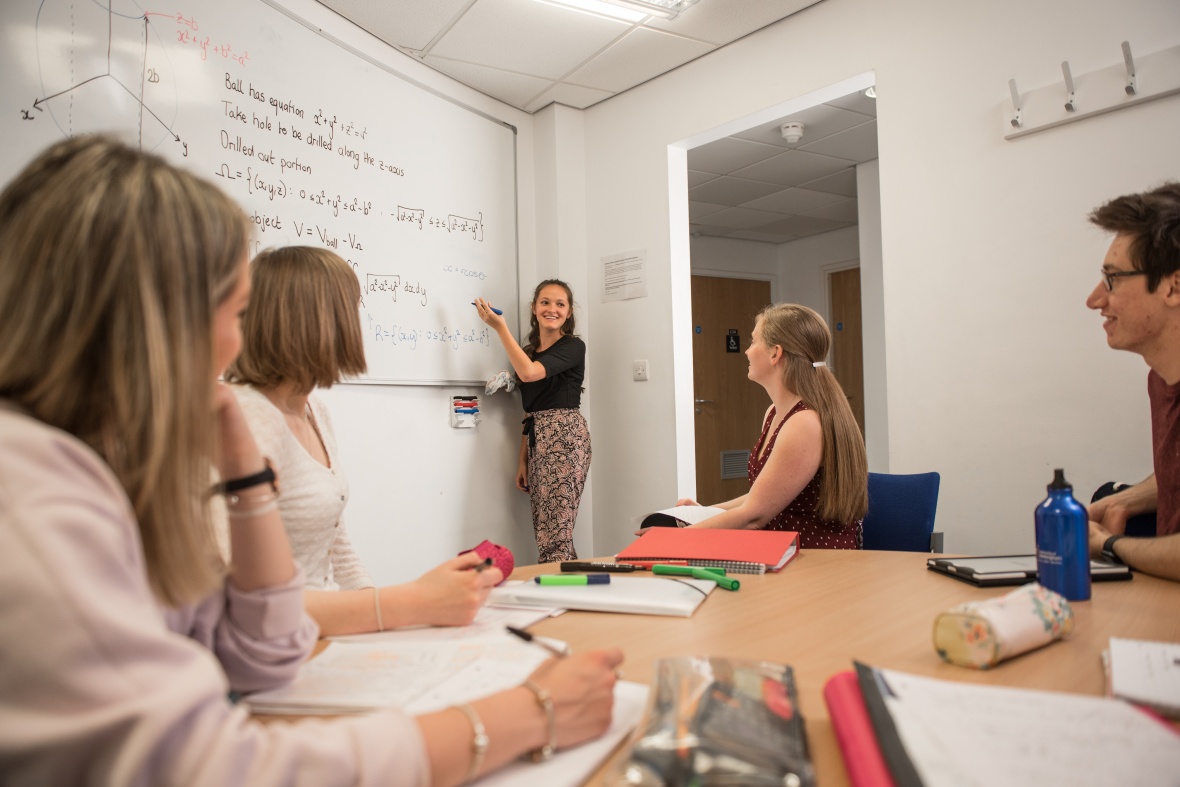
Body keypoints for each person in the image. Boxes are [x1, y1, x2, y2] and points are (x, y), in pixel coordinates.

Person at [0, 136, 621, 785]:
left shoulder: (107, 460)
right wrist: (525, 713)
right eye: (232, 311)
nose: (235, 341)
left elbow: (255, 644)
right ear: (143, 313)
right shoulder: (33, 498)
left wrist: (247, 478)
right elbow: (212, 766)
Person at [224, 246, 502, 637]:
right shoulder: (247, 418)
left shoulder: (314, 410)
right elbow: (234, 602)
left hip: (319, 634)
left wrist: (388, 627)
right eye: (353, 306)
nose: (358, 320)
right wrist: (414, 602)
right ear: (316, 320)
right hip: (271, 646)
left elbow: (336, 549)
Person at [673, 304, 868, 549]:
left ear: (775, 353)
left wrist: (672, 539)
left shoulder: (804, 423)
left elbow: (754, 516)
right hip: (780, 550)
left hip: (812, 558)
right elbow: (764, 498)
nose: (746, 351)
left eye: (753, 341)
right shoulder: (775, 413)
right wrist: (708, 512)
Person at [1084, 182, 1180, 582]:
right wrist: (1126, 499)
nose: (1094, 299)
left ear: (1173, 286)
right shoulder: (1160, 379)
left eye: (1112, 280)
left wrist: (1107, 544)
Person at [475, 281, 590, 563]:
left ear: (569, 311)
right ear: (534, 308)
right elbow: (530, 411)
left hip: (565, 436)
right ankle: (573, 592)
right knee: (548, 529)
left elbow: (528, 375)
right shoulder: (527, 352)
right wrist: (523, 460)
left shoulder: (574, 346)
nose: (552, 309)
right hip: (539, 438)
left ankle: (555, 598)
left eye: (560, 304)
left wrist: (500, 327)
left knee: (556, 534)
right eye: (545, 302)